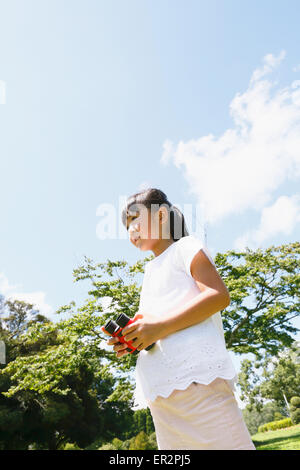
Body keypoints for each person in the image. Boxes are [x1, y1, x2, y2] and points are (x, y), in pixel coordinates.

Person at [102, 188, 255, 450]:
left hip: (198, 383)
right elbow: (157, 327)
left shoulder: (186, 247)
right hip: (162, 397)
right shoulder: (150, 270)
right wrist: (135, 338)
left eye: (134, 220)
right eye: (126, 226)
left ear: (161, 216)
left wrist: (158, 327)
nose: (130, 231)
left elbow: (218, 296)